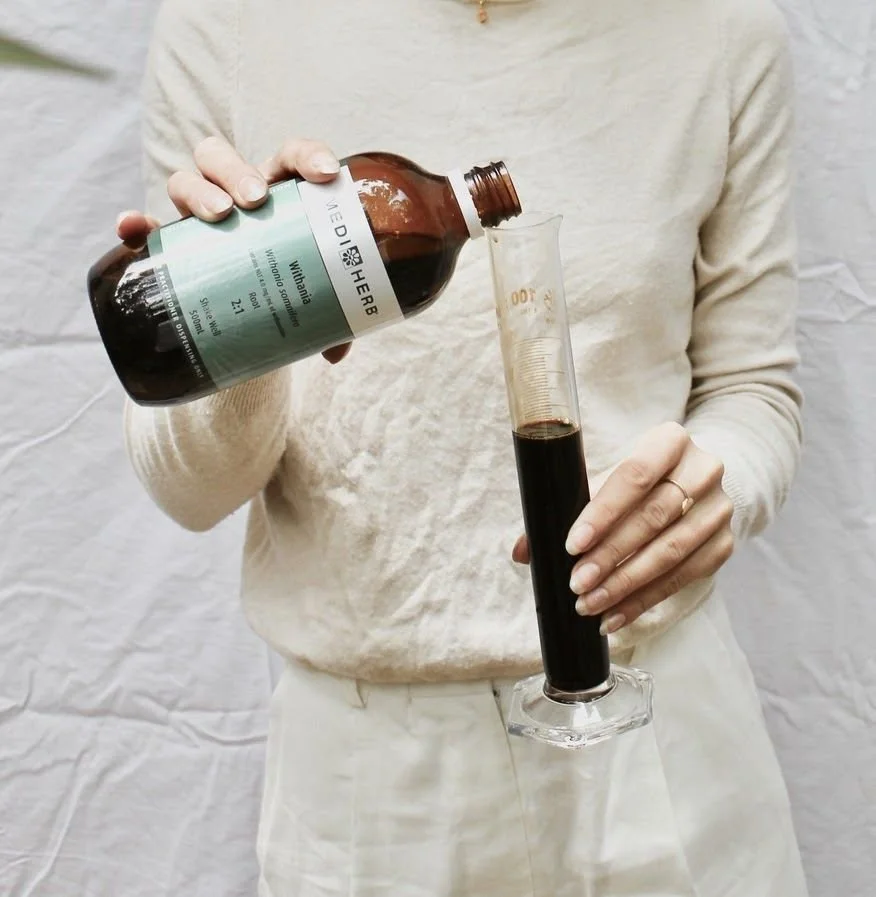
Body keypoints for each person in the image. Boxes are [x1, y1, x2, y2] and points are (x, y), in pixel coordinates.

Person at [116, 0, 810, 893]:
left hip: (655, 739)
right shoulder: (231, 23)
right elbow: (190, 494)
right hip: (372, 786)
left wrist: (713, 493)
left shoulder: (720, 29)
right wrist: (256, 324)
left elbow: (755, 390)